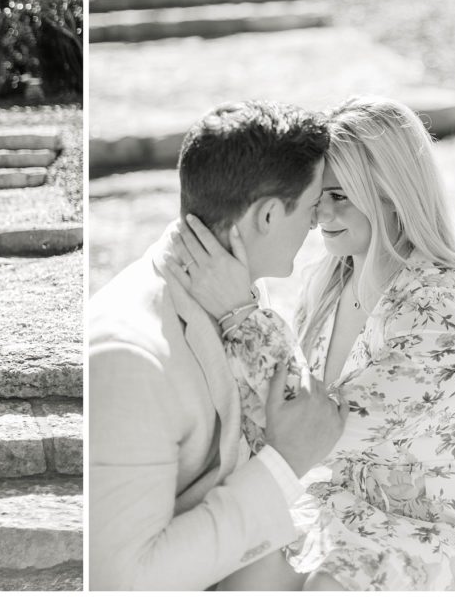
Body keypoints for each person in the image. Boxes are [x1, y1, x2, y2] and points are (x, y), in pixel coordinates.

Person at [170, 97, 455, 590]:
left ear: (391, 195)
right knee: (226, 559)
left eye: (340, 196)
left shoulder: (446, 308)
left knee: (322, 582)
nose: (320, 216)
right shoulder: (327, 284)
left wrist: (242, 314)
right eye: (316, 199)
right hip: (355, 513)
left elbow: (318, 429)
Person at [89, 101, 348, 591]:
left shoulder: (235, 283)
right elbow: (124, 582)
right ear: (269, 215)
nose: (317, 225)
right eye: (313, 208)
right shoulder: (128, 360)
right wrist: (283, 464)